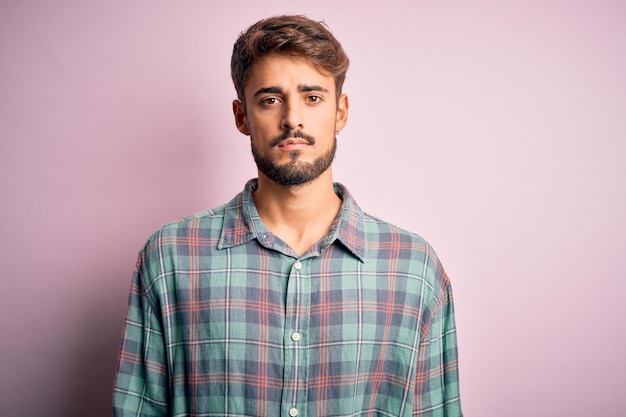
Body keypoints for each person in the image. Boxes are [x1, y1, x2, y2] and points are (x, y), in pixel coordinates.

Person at [113, 14, 462, 417]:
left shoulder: (415, 269)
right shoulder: (169, 259)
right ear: (242, 116)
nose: (292, 118)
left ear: (340, 112)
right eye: (270, 99)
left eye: (312, 97)